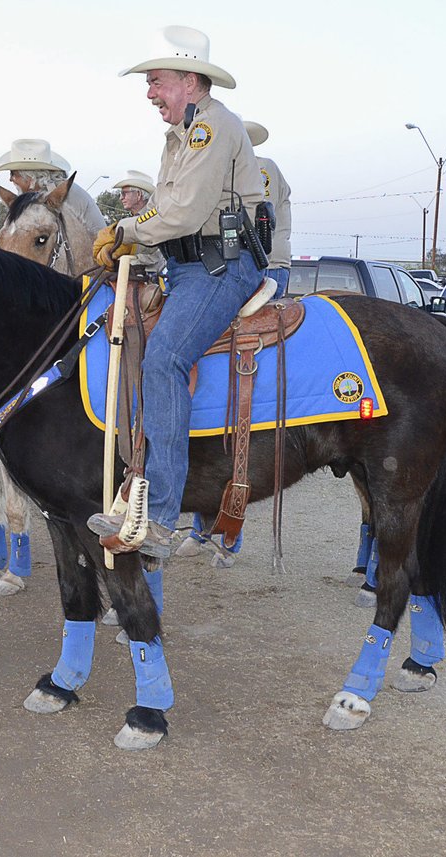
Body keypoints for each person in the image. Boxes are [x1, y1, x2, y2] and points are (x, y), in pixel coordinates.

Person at [87, 26, 265, 557]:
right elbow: (162, 214)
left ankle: (162, 517)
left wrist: (126, 233)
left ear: (190, 81)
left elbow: (182, 212)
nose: (149, 93)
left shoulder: (213, 128)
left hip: (221, 270)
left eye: (156, 81)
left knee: (163, 361)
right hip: (185, 269)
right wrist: (133, 242)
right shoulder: (179, 137)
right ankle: (134, 491)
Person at [0, 139, 107, 233]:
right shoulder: (48, 192)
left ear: (30, 178)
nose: (10, 179)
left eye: (13, 174)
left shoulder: (59, 194)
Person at [243, 120, 293, 296]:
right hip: (259, 264)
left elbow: (263, 215)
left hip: (267, 266)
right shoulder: (241, 171)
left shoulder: (262, 168)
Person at [112, 171, 165, 275]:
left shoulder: (155, 218)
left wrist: (129, 260)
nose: (121, 198)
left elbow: (159, 255)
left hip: (153, 278)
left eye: (124, 193)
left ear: (139, 194)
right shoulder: (134, 219)